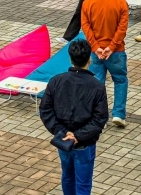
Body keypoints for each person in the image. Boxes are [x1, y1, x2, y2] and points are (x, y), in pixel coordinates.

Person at [39, 40, 108, 195]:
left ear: (70, 58)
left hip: (63, 141)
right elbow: (100, 119)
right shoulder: (97, 86)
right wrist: (78, 136)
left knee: (68, 177)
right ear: (89, 59)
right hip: (85, 143)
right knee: (83, 183)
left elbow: (45, 110)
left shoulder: (56, 81)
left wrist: (62, 132)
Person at [81, 0, 130, 128]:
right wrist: (111, 46)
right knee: (120, 80)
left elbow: (85, 27)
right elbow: (122, 29)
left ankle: (96, 115)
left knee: (96, 83)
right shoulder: (121, 2)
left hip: (96, 52)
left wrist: (96, 47)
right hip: (116, 52)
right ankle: (118, 114)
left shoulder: (88, 2)